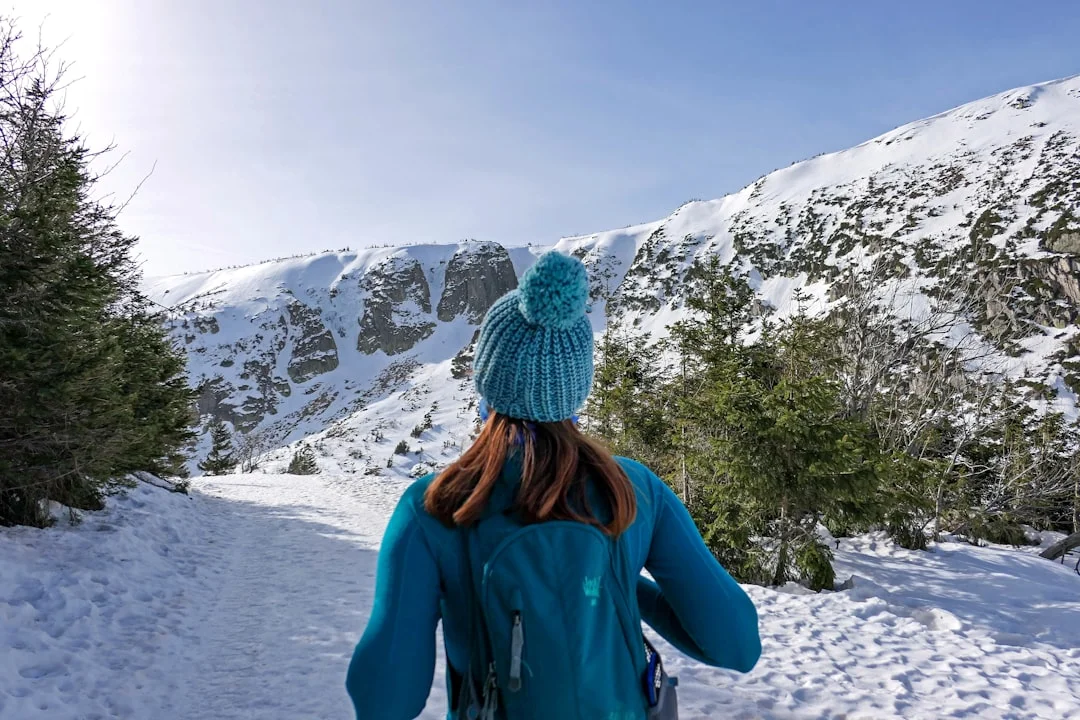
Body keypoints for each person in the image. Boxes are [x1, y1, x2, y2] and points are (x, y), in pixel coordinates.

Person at [347, 251, 760, 720]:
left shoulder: (435, 507)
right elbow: (737, 646)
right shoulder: (633, 490)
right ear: (576, 388)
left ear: (486, 383)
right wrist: (615, 584)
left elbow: (384, 700)